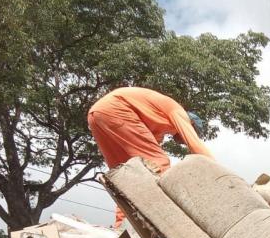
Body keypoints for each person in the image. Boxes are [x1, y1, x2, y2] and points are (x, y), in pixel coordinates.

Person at [87, 87, 214, 226]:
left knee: (123, 176)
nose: (182, 142)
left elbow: (149, 147)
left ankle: (121, 224)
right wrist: (216, 172)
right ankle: (170, 218)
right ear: (192, 124)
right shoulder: (179, 113)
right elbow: (195, 144)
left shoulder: (157, 122)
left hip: (96, 115)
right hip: (117, 110)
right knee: (158, 164)